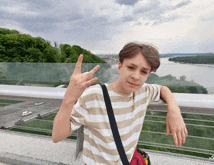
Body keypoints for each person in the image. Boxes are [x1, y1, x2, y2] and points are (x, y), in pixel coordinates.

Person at [52, 42, 188, 165]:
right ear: (119, 66)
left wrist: (174, 110)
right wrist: (69, 97)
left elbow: (162, 89)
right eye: (131, 67)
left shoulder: (143, 91)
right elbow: (57, 136)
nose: (136, 76)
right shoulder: (94, 96)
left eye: (144, 72)